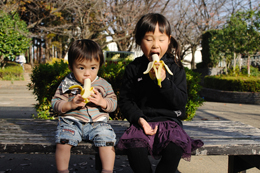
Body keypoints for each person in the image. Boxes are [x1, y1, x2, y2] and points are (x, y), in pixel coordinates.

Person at [116, 13, 204, 173]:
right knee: (135, 150)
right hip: (142, 123)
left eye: (161, 39)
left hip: (170, 124)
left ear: (169, 40)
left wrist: (164, 81)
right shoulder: (133, 69)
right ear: (139, 41)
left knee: (174, 150)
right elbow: (126, 101)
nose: (155, 45)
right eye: (149, 39)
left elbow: (180, 103)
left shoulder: (176, 68)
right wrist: (140, 120)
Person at [51, 39, 117, 173]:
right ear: (71, 67)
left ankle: (107, 170)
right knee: (63, 142)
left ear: (99, 66)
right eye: (81, 68)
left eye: (93, 68)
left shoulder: (104, 84)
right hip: (71, 123)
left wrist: (102, 102)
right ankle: (62, 170)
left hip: (98, 124)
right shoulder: (67, 84)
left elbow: (113, 103)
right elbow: (55, 103)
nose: (87, 73)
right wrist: (70, 104)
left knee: (107, 141)